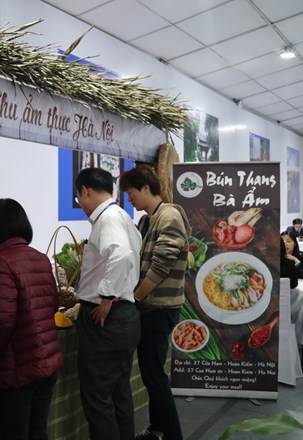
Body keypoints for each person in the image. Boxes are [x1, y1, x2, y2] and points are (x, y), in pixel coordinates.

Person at [0, 198, 64, 440]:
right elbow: (52, 304)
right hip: (47, 362)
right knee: (38, 431)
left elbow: (3, 322)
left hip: (17, 367)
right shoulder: (38, 257)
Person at [120, 165, 191, 440]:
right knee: (151, 374)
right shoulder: (148, 219)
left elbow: (162, 264)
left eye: (131, 192)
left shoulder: (169, 215)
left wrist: (135, 296)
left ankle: (171, 435)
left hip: (159, 308)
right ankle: (158, 429)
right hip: (152, 307)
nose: (129, 199)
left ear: (146, 188)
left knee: (155, 376)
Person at [73, 167, 142, 440]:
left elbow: (122, 255)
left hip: (107, 321)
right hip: (123, 319)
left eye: (79, 197)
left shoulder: (109, 219)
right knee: (118, 393)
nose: (80, 203)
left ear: (85, 192)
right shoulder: (121, 216)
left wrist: (106, 297)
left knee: (98, 399)